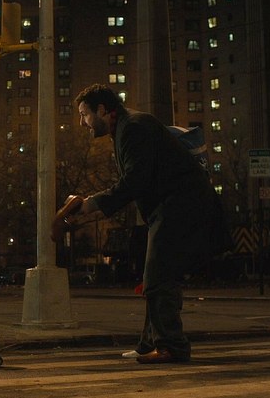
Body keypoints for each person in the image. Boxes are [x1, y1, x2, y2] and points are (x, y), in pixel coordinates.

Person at [71, 84, 227, 364]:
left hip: (179, 206)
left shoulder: (133, 127)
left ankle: (172, 347)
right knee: (154, 277)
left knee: (158, 277)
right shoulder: (126, 127)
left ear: (102, 110)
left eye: (84, 114)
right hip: (171, 207)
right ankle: (149, 344)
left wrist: (91, 204)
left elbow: (135, 181)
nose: (82, 122)